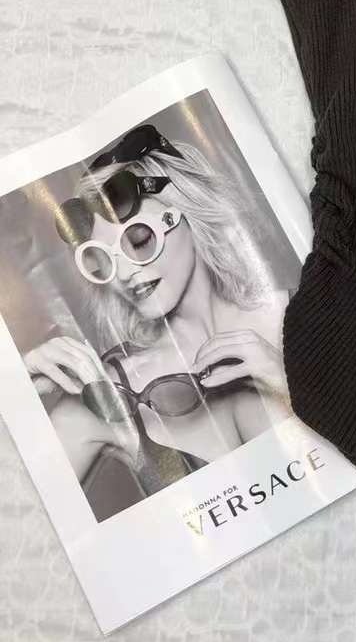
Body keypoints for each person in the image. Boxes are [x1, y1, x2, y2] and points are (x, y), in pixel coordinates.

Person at [23, 122, 293, 508]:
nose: (124, 272)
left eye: (139, 240)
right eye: (102, 260)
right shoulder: (110, 390)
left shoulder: (297, 314)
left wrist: (286, 383)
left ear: (189, 216)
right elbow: (23, 517)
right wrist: (15, 394)